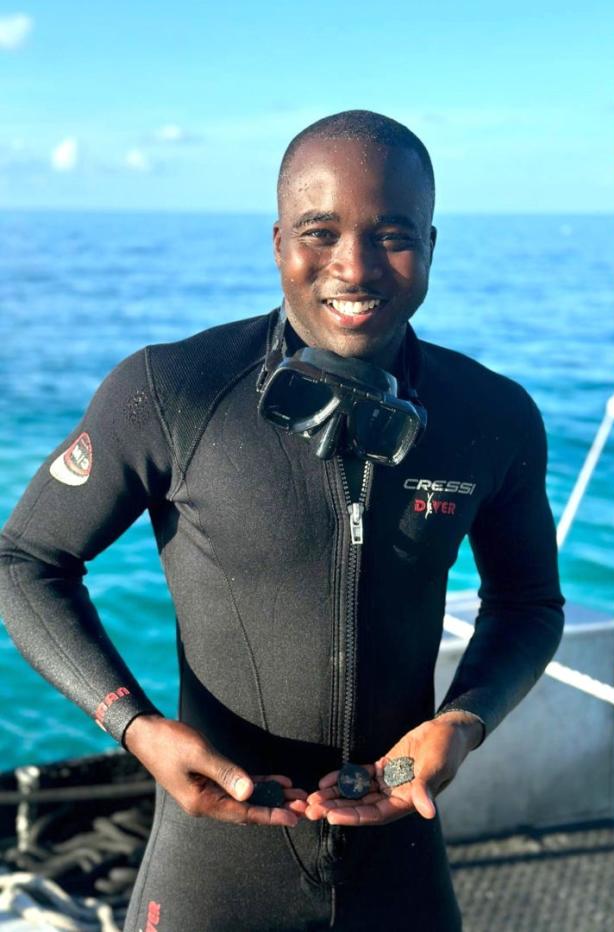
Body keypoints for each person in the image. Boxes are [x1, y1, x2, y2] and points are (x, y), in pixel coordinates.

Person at [0, 110, 564, 930]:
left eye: (393, 234)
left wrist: (464, 722)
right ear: (277, 243)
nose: (355, 266)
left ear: (433, 246)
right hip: (216, 868)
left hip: (399, 856)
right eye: (320, 231)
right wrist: (136, 726)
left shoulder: (492, 415)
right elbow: (25, 559)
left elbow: (528, 605)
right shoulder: (172, 392)